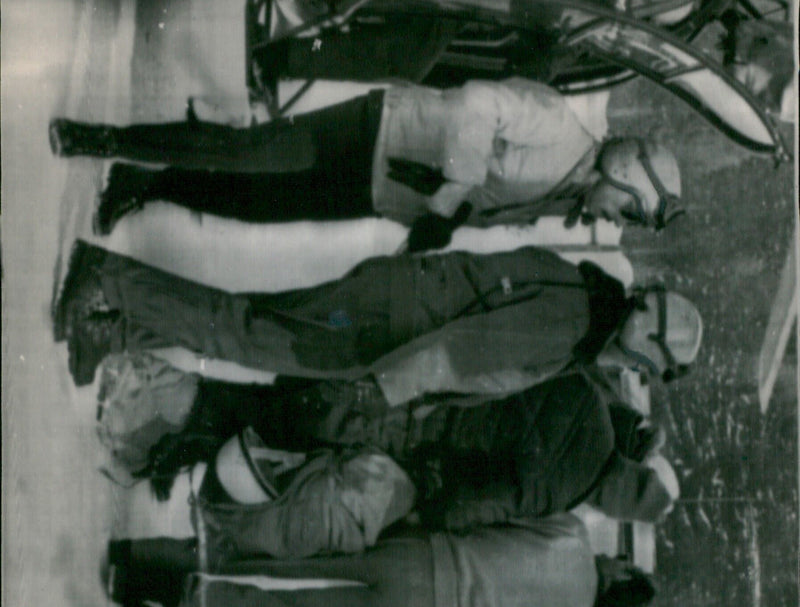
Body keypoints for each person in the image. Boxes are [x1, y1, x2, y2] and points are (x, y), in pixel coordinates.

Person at [48, 76, 683, 243]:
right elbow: (477, 103)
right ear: (624, 173)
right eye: (627, 214)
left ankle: (143, 182)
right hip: (374, 130)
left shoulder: (563, 197)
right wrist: (452, 194)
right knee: (244, 153)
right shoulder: (560, 127)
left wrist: (436, 221)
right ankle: (100, 138)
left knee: (252, 207)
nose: (613, 224)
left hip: (377, 190)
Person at [56, 240, 703, 395]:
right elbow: (458, 353)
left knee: (249, 325)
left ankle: (110, 327)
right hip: (383, 329)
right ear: (642, 347)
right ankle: (106, 276)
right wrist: (380, 394)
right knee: (246, 333)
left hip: (389, 304)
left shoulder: (580, 295)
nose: (634, 375)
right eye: (647, 369)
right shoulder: (569, 323)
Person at [143, 368, 679, 525]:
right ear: (614, 505)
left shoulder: (589, 398)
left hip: (430, 376)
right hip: (419, 434)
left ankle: (190, 432)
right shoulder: (555, 493)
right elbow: (475, 503)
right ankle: (184, 435)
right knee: (304, 428)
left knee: (303, 402)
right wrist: (434, 513)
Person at [103, 512, 656, 607]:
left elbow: (492, 515)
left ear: (621, 570)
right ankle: (148, 589)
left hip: (422, 557)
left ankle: (146, 556)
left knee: (288, 563)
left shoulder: (574, 535)